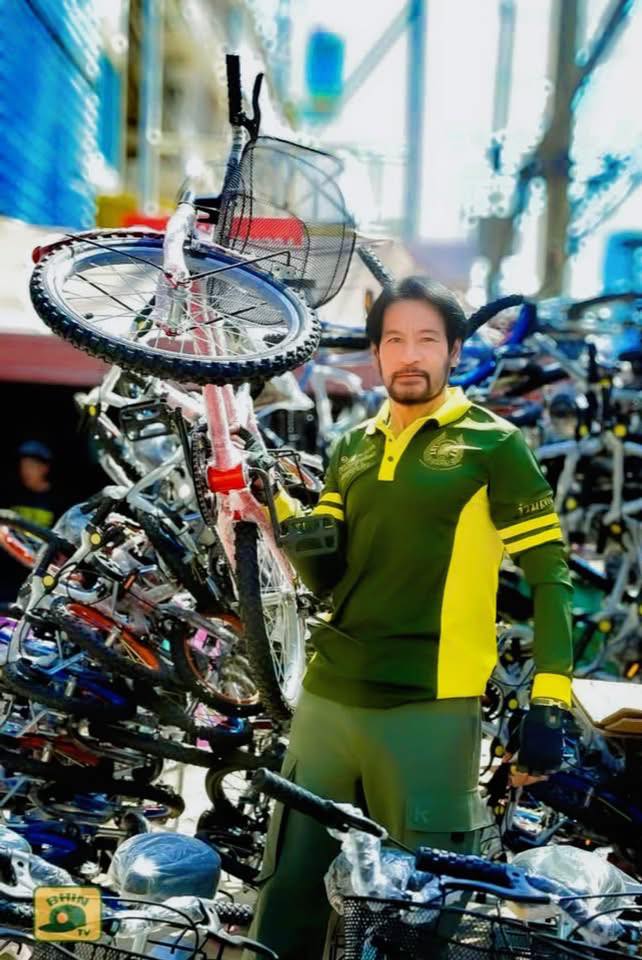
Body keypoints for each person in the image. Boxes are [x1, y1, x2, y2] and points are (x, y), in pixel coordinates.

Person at [246, 278, 573, 960]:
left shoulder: (495, 445)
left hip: (430, 707)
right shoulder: (353, 446)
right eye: (393, 339)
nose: (409, 354)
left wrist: (550, 699)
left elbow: (550, 577)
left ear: (454, 351)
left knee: (414, 918)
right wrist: (273, 507)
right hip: (328, 700)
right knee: (287, 896)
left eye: (427, 339)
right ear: (375, 353)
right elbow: (327, 573)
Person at [0, 441, 58, 604]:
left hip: (38, 574)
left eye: (31, 466)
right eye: (23, 465)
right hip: (7, 574)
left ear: (44, 468)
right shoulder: (10, 494)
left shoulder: (58, 500)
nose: (25, 470)